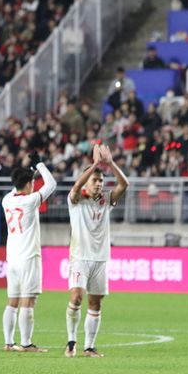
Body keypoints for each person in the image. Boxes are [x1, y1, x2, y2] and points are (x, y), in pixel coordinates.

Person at [65, 145, 128, 358]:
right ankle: (71, 342)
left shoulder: (106, 201)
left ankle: (89, 347)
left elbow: (124, 184)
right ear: (87, 181)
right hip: (79, 257)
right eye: (95, 180)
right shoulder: (75, 200)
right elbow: (76, 186)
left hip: (100, 259)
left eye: (101, 180)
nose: (99, 184)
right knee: (76, 298)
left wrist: (109, 163)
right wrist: (93, 165)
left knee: (95, 303)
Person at [1, 153, 57, 353]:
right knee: (28, 300)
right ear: (28, 184)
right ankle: (26, 343)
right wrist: (40, 165)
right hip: (29, 257)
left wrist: (27, 171)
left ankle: (8, 342)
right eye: (32, 182)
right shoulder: (30, 200)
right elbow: (51, 185)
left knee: (12, 301)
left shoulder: (7, 200)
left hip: (13, 258)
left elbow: (18, 184)